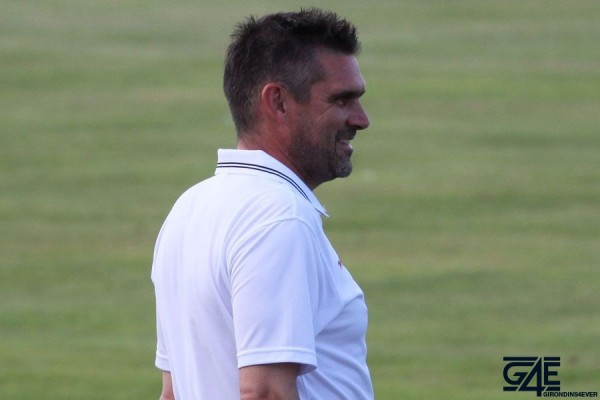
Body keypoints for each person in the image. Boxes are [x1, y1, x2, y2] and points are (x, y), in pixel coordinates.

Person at [151, 8, 372, 400]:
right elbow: (266, 391)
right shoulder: (279, 217)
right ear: (279, 102)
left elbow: (173, 392)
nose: (361, 119)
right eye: (341, 100)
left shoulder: (189, 209)